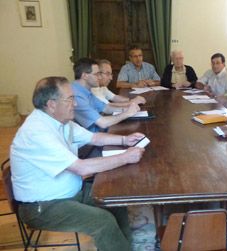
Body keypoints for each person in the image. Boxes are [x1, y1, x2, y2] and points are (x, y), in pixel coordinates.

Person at [10, 76, 146, 251]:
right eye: (70, 99)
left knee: (115, 200)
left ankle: (124, 247)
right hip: (43, 206)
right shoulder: (36, 132)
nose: (74, 104)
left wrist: (124, 139)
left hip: (69, 192)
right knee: (102, 221)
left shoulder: (61, 122)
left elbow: (94, 137)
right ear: (51, 105)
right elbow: (81, 167)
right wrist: (125, 157)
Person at [72, 58, 140, 133]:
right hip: (89, 140)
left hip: (98, 133)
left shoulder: (86, 90)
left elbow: (106, 108)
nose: (100, 77)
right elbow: (102, 123)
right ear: (85, 76)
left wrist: (127, 108)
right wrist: (127, 113)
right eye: (96, 74)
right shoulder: (76, 94)